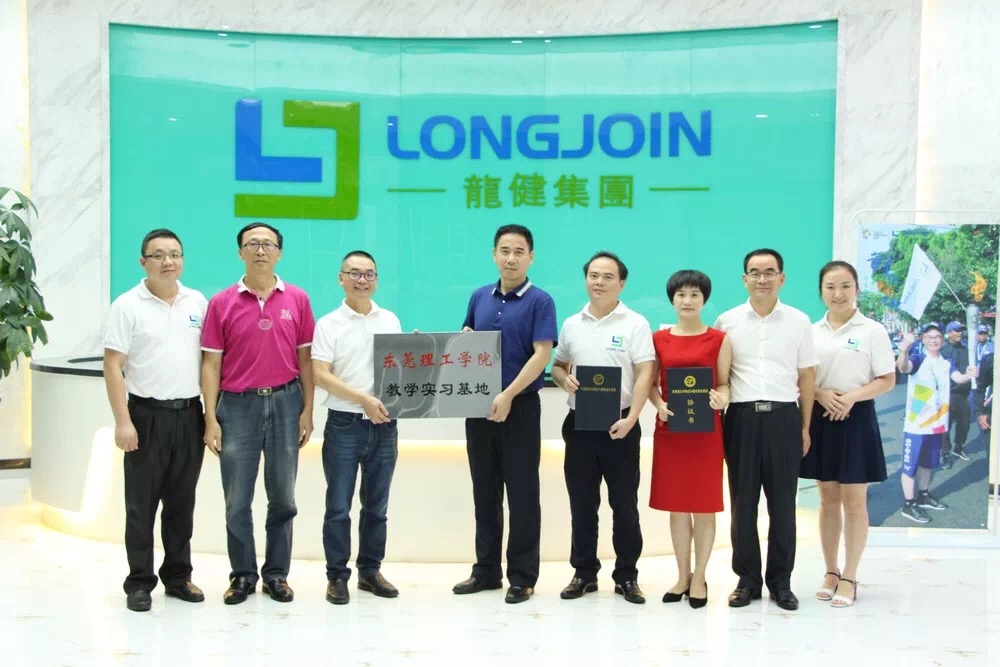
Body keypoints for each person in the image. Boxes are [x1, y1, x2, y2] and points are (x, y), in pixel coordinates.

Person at [201, 222, 315, 605]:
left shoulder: (297, 299)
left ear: (279, 252)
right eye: (252, 244)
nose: (261, 250)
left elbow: (305, 360)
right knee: (237, 500)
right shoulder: (221, 302)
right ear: (240, 252)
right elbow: (211, 365)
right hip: (237, 407)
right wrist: (210, 417)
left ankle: (277, 575)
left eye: (268, 244)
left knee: (283, 498)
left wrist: (307, 410)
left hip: (286, 402)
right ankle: (243, 575)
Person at [103, 229, 209, 612]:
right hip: (145, 416)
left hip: (190, 415)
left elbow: (210, 362)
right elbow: (112, 365)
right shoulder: (127, 305)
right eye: (159, 255)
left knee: (181, 503)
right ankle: (139, 582)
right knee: (141, 506)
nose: (168, 261)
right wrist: (123, 421)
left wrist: (211, 417)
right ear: (143, 261)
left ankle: (178, 577)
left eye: (175, 254)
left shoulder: (197, 302)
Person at [452, 224, 557, 604]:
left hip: (521, 407)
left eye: (519, 251)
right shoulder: (479, 296)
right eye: (504, 250)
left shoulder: (541, 301)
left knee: (523, 494)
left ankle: (522, 576)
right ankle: (486, 571)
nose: (511, 258)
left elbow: (542, 354)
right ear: (494, 254)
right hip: (478, 407)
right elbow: (467, 340)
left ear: (531, 257)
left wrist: (509, 394)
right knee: (484, 492)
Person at [714, 248, 817, 612]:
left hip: (784, 418)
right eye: (755, 272)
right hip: (741, 418)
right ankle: (747, 580)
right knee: (743, 504)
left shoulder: (799, 321)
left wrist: (805, 426)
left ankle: (781, 582)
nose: (762, 278)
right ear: (744, 279)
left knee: (783, 506)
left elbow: (807, 376)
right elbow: (721, 376)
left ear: (781, 278)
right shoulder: (726, 322)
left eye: (769, 272)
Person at [551, 251, 655, 605]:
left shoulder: (635, 324)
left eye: (608, 276)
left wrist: (632, 418)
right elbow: (558, 366)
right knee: (582, 504)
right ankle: (584, 573)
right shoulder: (572, 324)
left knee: (624, 505)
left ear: (621, 283)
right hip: (579, 425)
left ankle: (627, 576)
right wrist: (563, 379)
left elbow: (646, 372)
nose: (599, 282)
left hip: (621, 424)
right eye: (593, 275)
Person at [799, 261, 895, 608]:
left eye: (845, 286)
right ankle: (830, 571)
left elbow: (887, 379)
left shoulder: (872, 331)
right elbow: (801, 378)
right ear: (821, 291)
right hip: (821, 416)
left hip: (857, 418)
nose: (838, 294)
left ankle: (850, 575)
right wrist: (821, 394)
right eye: (830, 287)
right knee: (827, 500)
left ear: (856, 288)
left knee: (855, 501)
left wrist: (852, 397)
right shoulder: (810, 331)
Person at [311, 251, 402, 605]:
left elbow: (399, 370)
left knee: (377, 506)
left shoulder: (390, 320)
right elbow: (320, 375)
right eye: (354, 273)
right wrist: (362, 399)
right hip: (344, 424)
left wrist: (417, 352)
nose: (362, 280)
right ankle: (337, 576)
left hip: (385, 425)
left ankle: (370, 571)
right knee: (338, 506)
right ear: (341, 278)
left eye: (368, 274)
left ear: (376, 279)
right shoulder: (328, 324)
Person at [648, 270, 731, 609]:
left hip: (706, 434)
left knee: (705, 507)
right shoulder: (658, 339)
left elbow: (724, 383)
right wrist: (659, 405)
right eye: (681, 294)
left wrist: (722, 399)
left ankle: (700, 577)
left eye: (694, 294)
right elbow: (651, 385)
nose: (687, 300)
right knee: (678, 508)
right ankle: (682, 576)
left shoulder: (719, 339)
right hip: (671, 432)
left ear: (704, 299)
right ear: (672, 299)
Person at [895, 323, 976, 524]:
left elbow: (959, 378)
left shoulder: (946, 362)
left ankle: (923, 496)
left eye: (937, 336)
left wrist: (969, 374)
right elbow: (903, 367)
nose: (933, 340)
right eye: (929, 336)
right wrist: (904, 350)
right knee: (910, 467)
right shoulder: (918, 358)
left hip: (937, 424)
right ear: (923, 339)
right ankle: (908, 504)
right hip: (916, 425)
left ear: (942, 339)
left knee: (927, 465)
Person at [940, 321, 973, 468]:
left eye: (961, 330)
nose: (960, 333)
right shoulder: (943, 351)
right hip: (947, 394)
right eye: (956, 330)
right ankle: (945, 453)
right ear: (949, 333)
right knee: (945, 426)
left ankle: (958, 447)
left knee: (964, 424)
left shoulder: (968, 349)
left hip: (963, 394)